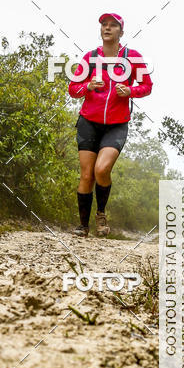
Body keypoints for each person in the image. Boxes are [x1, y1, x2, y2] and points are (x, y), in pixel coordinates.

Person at [68, 13, 153, 237]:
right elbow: (73, 89)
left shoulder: (133, 58)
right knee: (87, 175)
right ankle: (83, 226)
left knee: (102, 170)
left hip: (116, 124)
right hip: (88, 122)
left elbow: (147, 86)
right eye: (104, 25)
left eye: (113, 25)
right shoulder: (90, 57)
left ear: (121, 32)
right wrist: (88, 86)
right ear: (101, 31)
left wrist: (130, 91)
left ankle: (101, 213)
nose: (107, 28)